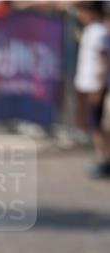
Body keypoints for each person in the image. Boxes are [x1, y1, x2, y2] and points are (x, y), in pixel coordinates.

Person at [74, 0, 110, 178]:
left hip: (97, 86)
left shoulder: (99, 32)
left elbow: (104, 61)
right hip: (90, 85)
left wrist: (99, 87)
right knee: (94, 124)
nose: (80, 15)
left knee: (98, 126)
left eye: (83, 11)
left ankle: (105, 160)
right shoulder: (91, 30)